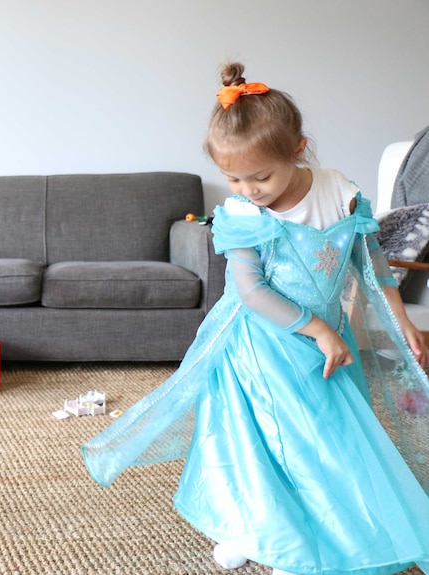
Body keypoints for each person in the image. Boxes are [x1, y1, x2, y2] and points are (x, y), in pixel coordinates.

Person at [82, 62, 429, 575]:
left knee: (326, 439)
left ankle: (305, 531)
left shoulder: (338, 189)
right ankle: (259, 532)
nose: (248, 189)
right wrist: (319, 331)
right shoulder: (244, 214)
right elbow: (251, 292)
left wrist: (400, 317)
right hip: (262, 344)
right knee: (258, 442)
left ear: (298, 148)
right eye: (233, 179)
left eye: (261, 176)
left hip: (327, 342)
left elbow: (368, 259)